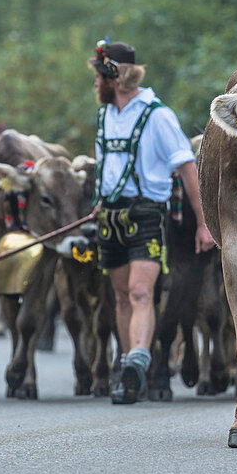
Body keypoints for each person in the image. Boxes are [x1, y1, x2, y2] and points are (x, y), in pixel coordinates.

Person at [88, 38, 215, 404]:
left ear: (115, 76)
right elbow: (107, 166)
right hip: (110, 216)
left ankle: (138, 364)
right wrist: (100, 200)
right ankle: (130, 369)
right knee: (120, 295)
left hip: (146, 213)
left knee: (141, 291)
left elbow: (187, 168)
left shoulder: (158, 115)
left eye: (99, 75)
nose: (95, 83)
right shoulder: (105, 116)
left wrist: (204, 224)